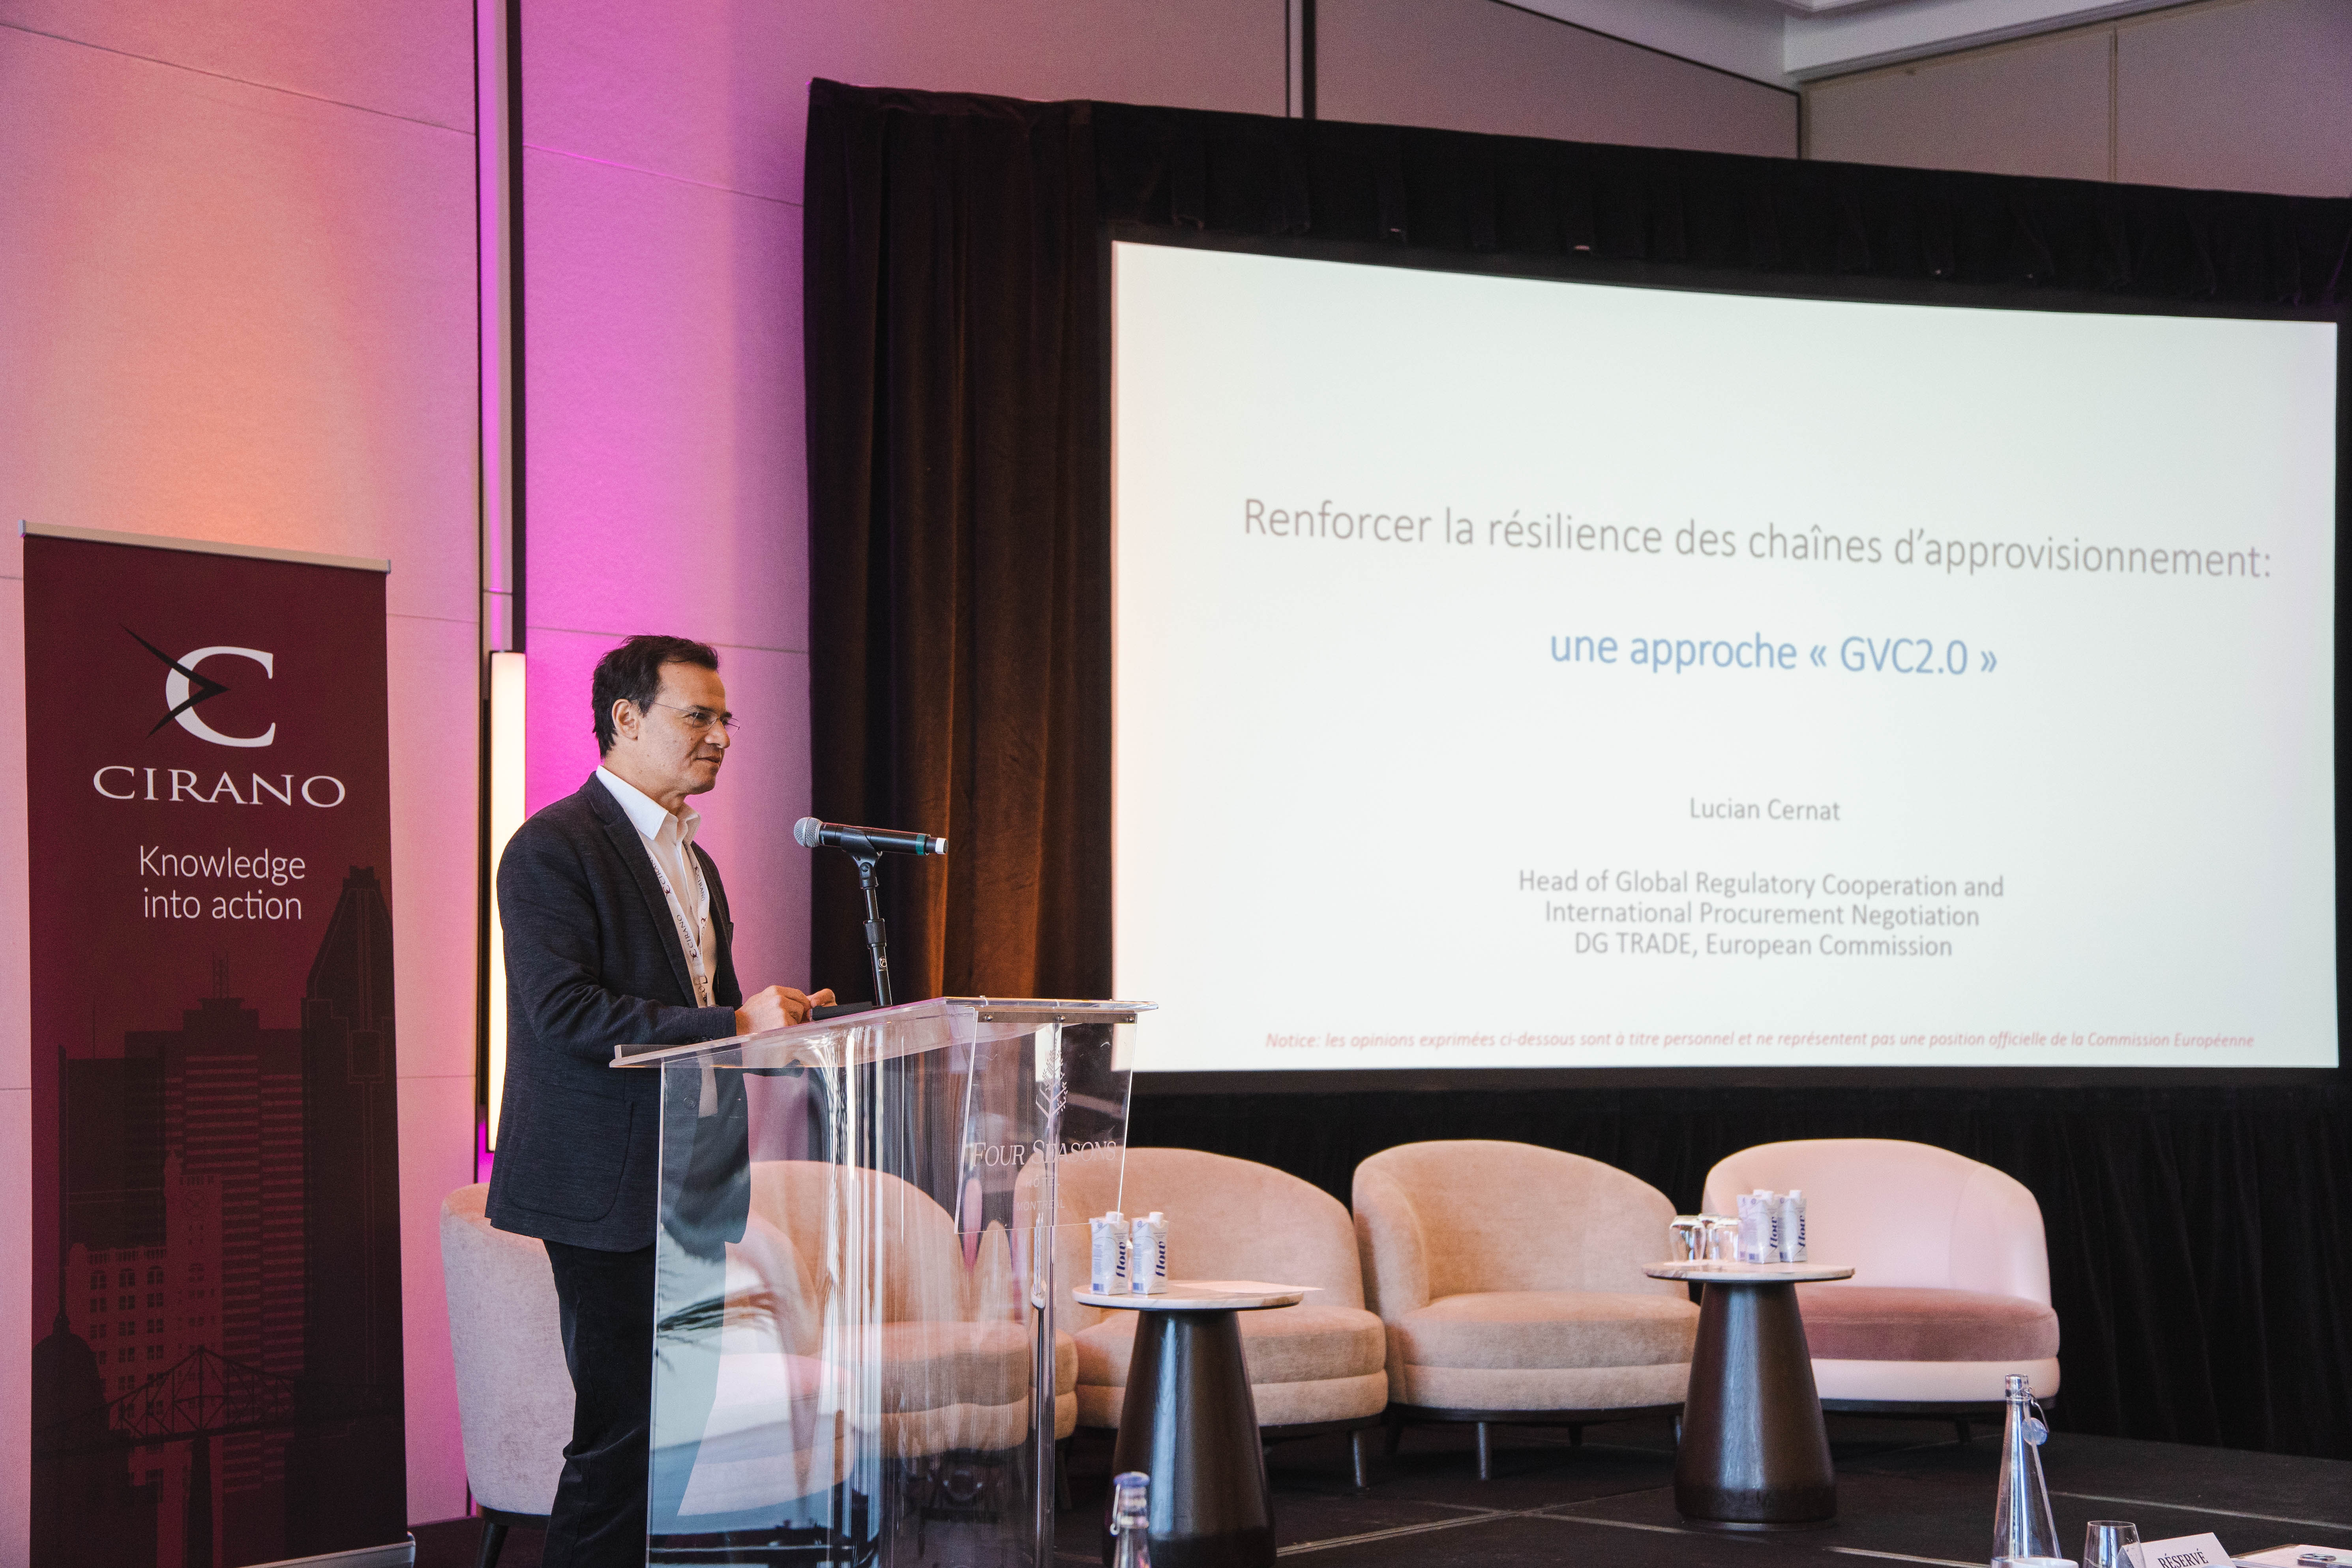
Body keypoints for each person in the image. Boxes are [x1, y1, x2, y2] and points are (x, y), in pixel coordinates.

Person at [488, 633, 832, 1567]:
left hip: (695, 1180)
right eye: (697, 716)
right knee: (621, 1439)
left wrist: (780, 1031)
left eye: (726, 719)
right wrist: (735, 1020)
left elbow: (707, 1013)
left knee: (679, 1435)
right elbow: (566, 1013)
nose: (720, 735)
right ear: (626, 719)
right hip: (605, 1188)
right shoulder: (552, 848)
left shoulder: (696, 860)